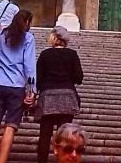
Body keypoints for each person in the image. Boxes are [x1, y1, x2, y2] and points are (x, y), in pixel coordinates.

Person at [0, 9, 36, 163]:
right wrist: (31, 91)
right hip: (17, 86)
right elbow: (30, 66)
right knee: (10, 127)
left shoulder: (0, 35)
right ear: (27, 22)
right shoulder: (28, 38)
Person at [35, 26, 84, 163]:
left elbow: (38, 79)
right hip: (67, 97)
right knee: (65, 136)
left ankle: (42, 160)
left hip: (48, 97)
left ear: (54, 38)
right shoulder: (72, 54)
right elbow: (79, 78)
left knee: (45, 134)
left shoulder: (45, 54)